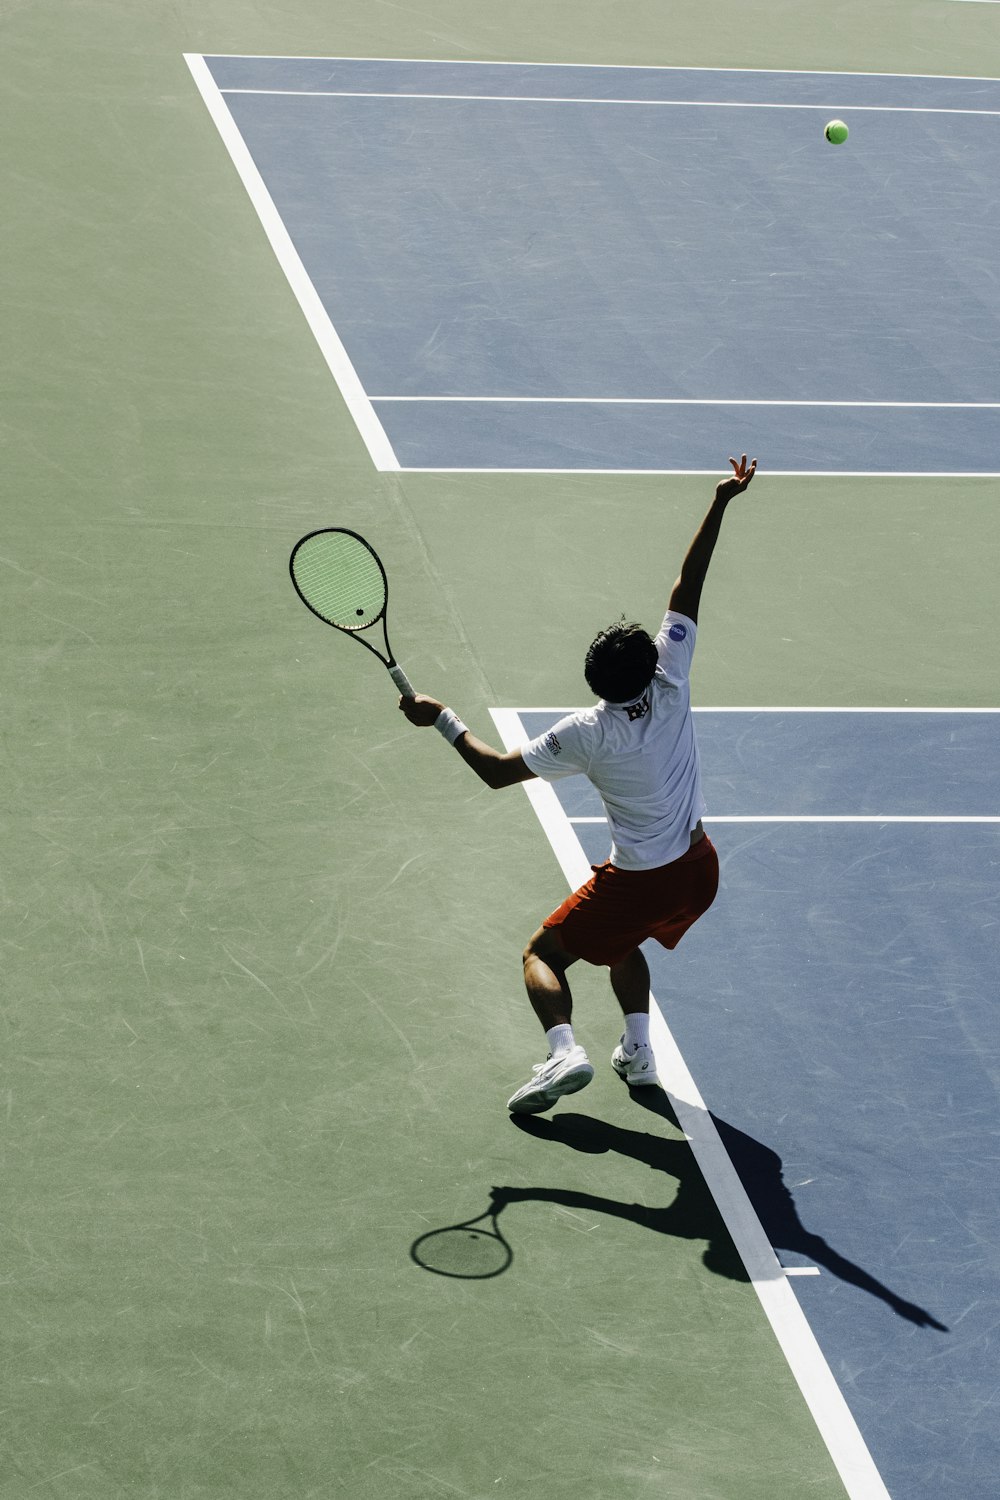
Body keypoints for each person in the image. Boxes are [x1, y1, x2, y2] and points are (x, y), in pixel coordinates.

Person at [398, 455, 757, 1114]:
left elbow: (496, 772)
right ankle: (640, 1051)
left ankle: (563, 1051)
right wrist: (722, 501)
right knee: (624, 939)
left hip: (640, 878)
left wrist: (441, 719)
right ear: (651, 664)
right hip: (700, 870)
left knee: (542, 954)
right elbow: (689, 583)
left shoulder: (585, 733)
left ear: (596, 681)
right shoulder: (673, 678)